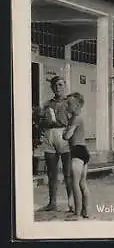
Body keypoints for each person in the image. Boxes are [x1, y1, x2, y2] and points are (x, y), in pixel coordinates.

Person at [38, 76, 73, 212]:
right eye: (55, 85)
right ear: (52, 88)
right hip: (50, 135)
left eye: (60, 85)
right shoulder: (47, 104)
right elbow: (40, 122)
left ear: (64, 86)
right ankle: (52, 202)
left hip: (64, 135)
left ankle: (71, 203)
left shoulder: (70, 103)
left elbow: (75, 121)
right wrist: (46, 121)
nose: (58, 88)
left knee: (68, 172)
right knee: (52, 173)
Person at [62, 92, 90, 221]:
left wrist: (65, 132)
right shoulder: (77, 118)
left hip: (77, 152)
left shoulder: (75, 118)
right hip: (84, 151)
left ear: (77, 105)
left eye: (69, 103)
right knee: (83, 183)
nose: (66, 105)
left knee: (75, 184)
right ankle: (86, 210)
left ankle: (77, 214)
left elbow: (67, 136)